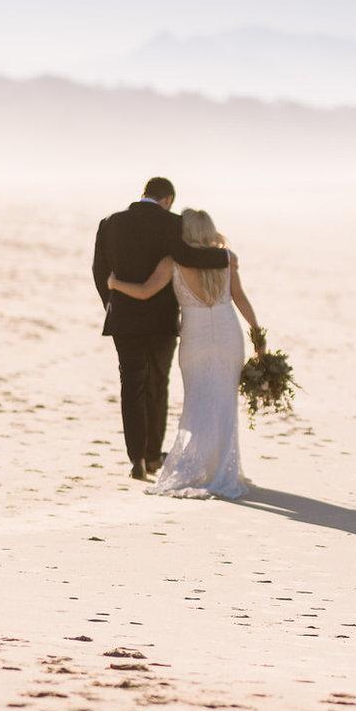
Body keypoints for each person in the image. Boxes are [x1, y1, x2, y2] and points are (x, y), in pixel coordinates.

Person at [105, 207, 259, 499]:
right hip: (228, 334)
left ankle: (200, 466)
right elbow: (240, 298)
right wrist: (257, 333)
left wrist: (114, 284)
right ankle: (223, 468)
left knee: (197, 399)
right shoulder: (226, 258)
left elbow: (145, 291)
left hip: (196, 338)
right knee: (225, 402)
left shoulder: (173, 261)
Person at [91, 177, 234, 480]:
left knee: (131, 387)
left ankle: (137, 459)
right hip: (161, 320)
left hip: (123, 319)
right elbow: (188, 257)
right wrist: (224, 256)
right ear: (168, 199)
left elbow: (99, 270)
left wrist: (113, 303)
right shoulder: (172, 223)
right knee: (157, 384)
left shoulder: (110, 223)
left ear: (143, 194)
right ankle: (155, 456)